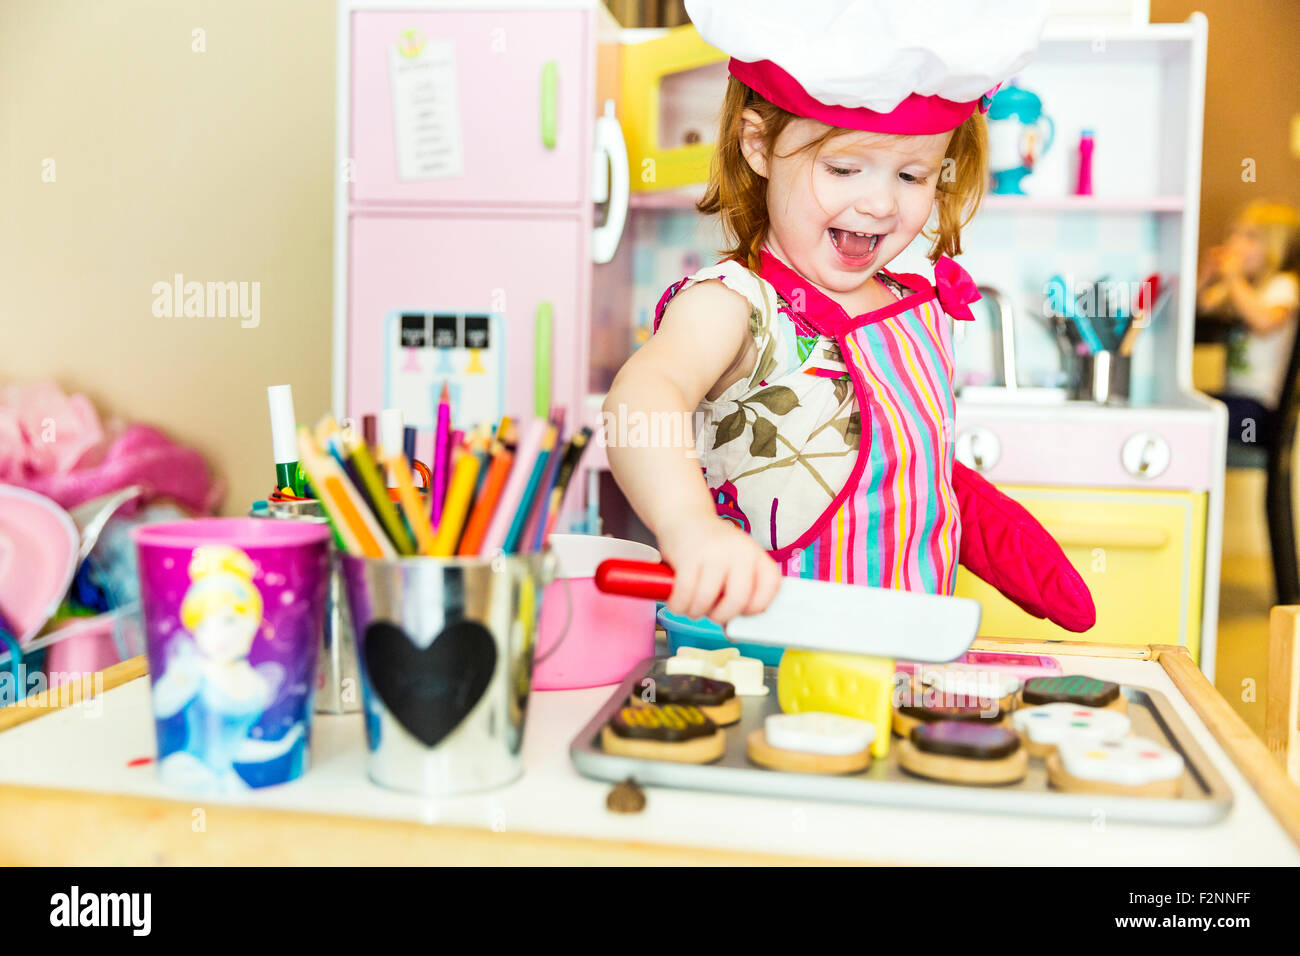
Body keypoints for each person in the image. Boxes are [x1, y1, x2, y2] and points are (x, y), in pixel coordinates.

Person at [603, 0, 1094, 633]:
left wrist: (1005, 543)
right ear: (759, 145)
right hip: (766, 672)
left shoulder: (908, 307)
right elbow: (641, 397)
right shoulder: (734, 303)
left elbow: (907, 476)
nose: (882, 203)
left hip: (901, 670)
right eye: (843, 167)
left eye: (914, 175)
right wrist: (690, 528)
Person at [1197, 200, 1300, 448]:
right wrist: (1204, 277)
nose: (1235, 243)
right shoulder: (1242, 287)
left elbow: (1264, 322)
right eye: (1233, 233)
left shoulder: (1283, 285)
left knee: (1200, 419)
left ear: (1276, 247)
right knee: (1191, 408)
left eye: (1250, 237)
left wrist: (1233, 279)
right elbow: (1201, 307)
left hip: (1260, 409)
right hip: (1235, 399)